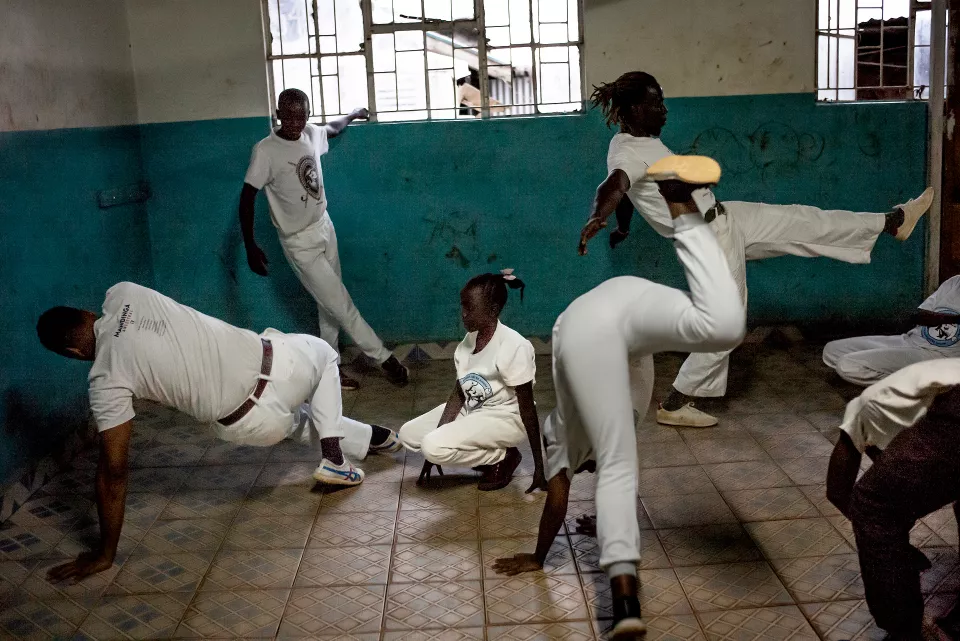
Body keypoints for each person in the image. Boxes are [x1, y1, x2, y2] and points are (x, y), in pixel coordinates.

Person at [578, 70, 933, 428]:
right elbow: (615, 185)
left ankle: (892, 222)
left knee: (803, 220)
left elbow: (627, 190)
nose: (665, 110)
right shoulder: (626, 151)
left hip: (726, 217)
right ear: (636, 109)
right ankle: (674, 404)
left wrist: (622, 225)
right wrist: (598, 217)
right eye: (656, 104)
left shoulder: (635, 143)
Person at [495, 155, 746, 639]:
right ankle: (679, 201)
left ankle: (626, 609)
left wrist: (537, 556)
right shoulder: (620, 408)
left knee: (616, 461)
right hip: (628, 299)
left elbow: (558, 505)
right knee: (724, 325)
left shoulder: (558, 439)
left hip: (584, 325)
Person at [37, 281, 402, 583]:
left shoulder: (104, 382)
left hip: (250, 425)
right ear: (87, 314)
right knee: (323, 353)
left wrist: (105, 553)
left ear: (71, 352)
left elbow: (113, 471)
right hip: (279, 363)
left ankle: (371, 438)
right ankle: (335, 458)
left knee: (293, 423)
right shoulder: (123, 293)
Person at [239, 87, 409, 391]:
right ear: (277, 115)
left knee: (328, 306)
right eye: (288, 116)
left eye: (301, 116)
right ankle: (385, 359)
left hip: (324, 227)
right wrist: (250, 244)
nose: (294, 123)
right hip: (299, 242)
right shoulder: (266, 151)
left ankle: (330, 369)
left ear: (308, 115)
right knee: (341, 304)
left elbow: (332, 128)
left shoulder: (310, 134)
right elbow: (248, 197)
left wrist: (354, 114)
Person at [825, 359, 960, 640]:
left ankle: (903, 631)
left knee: (874, 506)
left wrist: (887, 545)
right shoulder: (907, 404)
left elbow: (838, 492)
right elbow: (899, 473)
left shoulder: (863, 412)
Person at [397, 270, 546, 492]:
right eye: (462, 306)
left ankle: (503, 456)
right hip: (473, 410)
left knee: (431, 446)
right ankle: (489, 455)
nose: (463, 314)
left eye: (470, 308)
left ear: (493, 310)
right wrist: (436, 443)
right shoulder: (469, 340)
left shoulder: (514, 346)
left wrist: (539, 468)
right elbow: (459, 391)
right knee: (408, 435)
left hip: (506, 418)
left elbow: (527, 410)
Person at [822, 275, 960, 385]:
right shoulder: (953, 282)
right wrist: (950, 319)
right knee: (832, 349)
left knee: (847, 364)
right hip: (909, 340)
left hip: (938, 356)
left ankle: (925, 384)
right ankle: (916, 378)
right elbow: (919, 315)